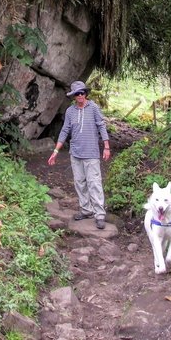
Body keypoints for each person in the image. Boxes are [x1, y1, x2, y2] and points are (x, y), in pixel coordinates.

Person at [48, 80, 111, 230]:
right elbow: (65, 131)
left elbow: (101, 125)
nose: (80, 96)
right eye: (77, 94)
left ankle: (99, 214)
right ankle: (86, 209)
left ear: (86, 94)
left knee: (94, 183)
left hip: (91, 152)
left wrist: (106, 147)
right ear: (74, 96)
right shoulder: (70, 111)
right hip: (75, 153)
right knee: (80, 182)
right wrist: (56, 151)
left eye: (82, 93)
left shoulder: (94, 108)